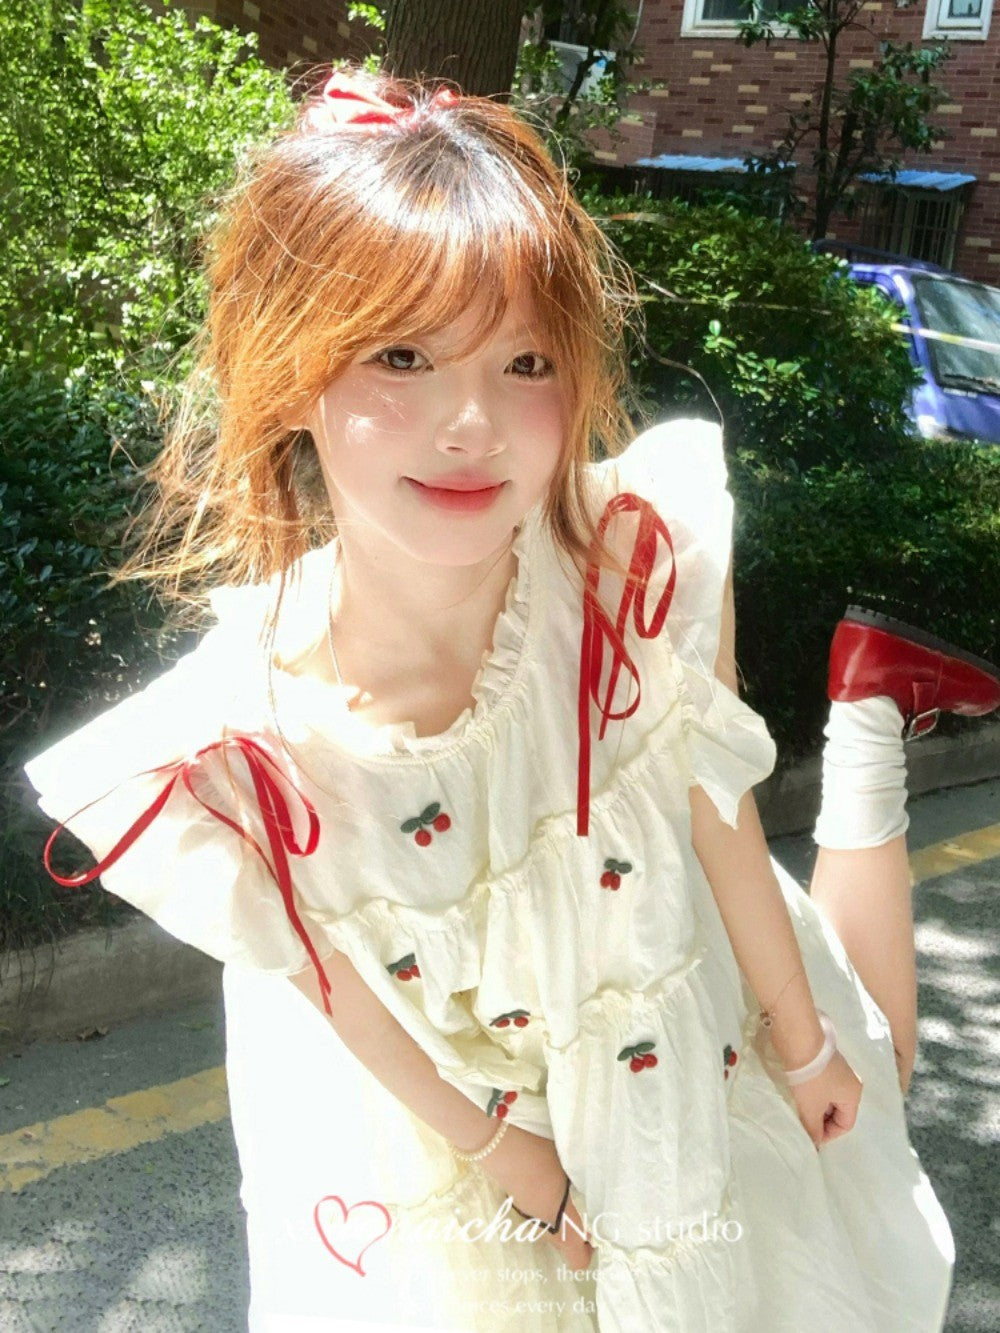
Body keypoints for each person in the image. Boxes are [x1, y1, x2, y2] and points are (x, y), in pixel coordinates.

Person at [22, 64, 986, 1332]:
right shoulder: (240, 741)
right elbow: (328, 987)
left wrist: (803, 1041)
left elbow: (717, 815)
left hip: (687, 1063)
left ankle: (867, 733)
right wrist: (507, 1156)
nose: (472, 421)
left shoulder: (625, 563)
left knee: (859, 1145)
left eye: (526, 361)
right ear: (288, 372)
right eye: (402, 355)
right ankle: (868, 710)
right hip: (463, 1174)